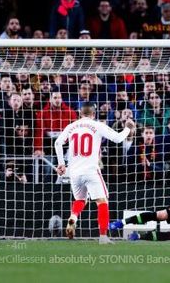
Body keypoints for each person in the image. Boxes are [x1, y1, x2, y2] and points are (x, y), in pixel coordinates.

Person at [54, 101, 134, 244]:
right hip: (91, 170)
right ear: (94, 113)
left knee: (80, 200)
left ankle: (73, 216)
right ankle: (103, 237)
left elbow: (58, 143)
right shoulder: (97, 125)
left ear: (80, 113)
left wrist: (61, 163)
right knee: (102, 202)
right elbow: (117, 139)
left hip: (74, 172)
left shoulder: (71, 126)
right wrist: (128, 128)